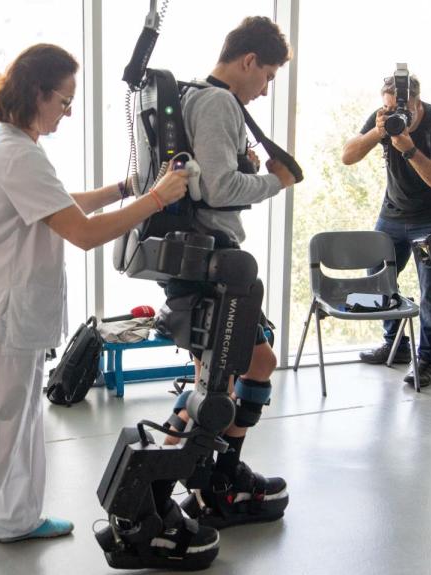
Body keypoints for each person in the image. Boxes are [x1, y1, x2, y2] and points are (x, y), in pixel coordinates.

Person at [0, 43, 189, 575]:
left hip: (19, 315)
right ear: (37, 94)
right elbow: (79, 233)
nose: (68, 111)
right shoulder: (14, 151)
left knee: (24, 424)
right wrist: (154, 200)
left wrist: (127, 187)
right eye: (64, 100)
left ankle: (17, 519)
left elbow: (63, 203)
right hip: (2, 317)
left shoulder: (22, 146)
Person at [155, 16, 296, 531]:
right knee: (255, 364)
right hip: (213, 259)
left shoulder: (193, 96)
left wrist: (243, 169)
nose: (265, 89)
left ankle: (163, 475)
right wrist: (272, 182)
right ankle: (223, 479)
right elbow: (218, 189)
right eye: (268, 77)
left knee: (210, 378)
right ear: (248, 61)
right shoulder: (216, 102)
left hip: (196, 260)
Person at [342, 70, 431, 388]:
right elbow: (347, 156)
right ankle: (396, 344)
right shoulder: (384, 118)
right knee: (377, 281)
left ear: (417, 101)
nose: (397, 116)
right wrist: (377, 132)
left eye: (404, 110)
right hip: (393, 214)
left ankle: (428, 361)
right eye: (388, 108)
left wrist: (408, 147)